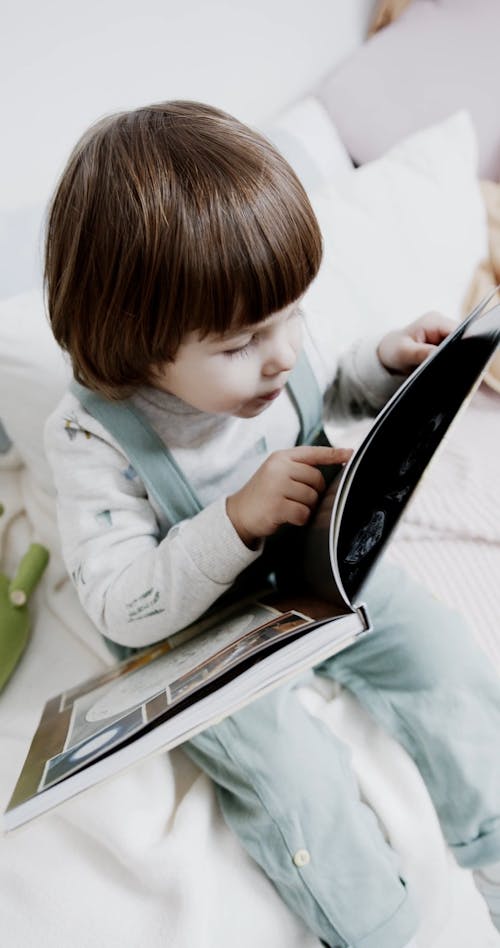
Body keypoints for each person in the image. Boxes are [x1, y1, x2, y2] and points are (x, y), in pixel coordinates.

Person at [44, 100, 500, 948]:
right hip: (195, 638)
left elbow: (329, 384)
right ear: (135, 344)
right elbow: (116, 603)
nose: (282, 352)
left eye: (289, 316)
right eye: (242, 341)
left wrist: (387, 361)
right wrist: (235, 520)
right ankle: (379, 932)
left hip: (319, 566)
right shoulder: (92, 437)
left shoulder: (276, 340)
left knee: (446, 662)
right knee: (296, 782)